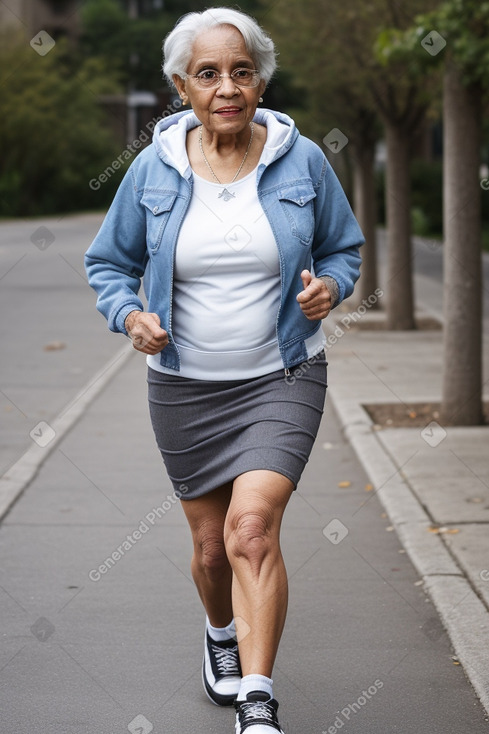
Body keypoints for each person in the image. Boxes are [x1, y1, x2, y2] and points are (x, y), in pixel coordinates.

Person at [85, 7, 363, 733]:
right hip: (183, 386)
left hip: (283, 374)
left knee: (249, 532)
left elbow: (343, 249)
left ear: (261, 81)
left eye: (241, 71)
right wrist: (129, 314)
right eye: (208, 74)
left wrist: (330, 287)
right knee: (210, 552)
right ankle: (218, 635)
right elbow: (108, 264)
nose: (227, 86)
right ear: (182, 87)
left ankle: (258, 701)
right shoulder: (153, 168)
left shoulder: (301, 161)